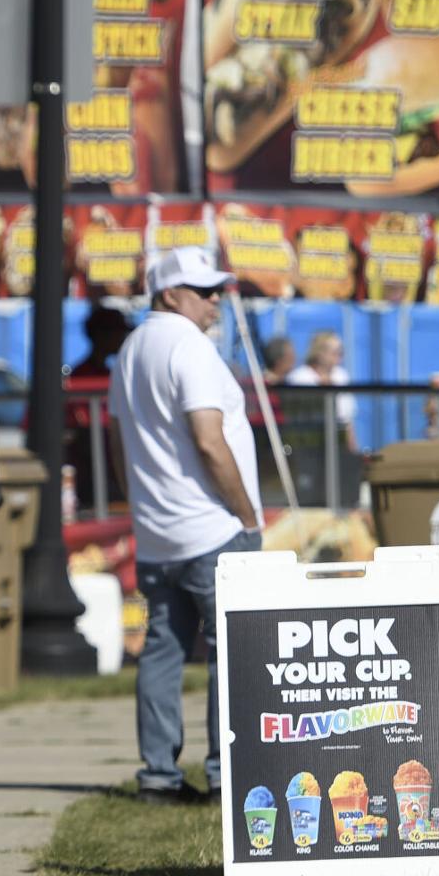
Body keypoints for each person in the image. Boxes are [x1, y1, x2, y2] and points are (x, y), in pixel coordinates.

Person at [107, 247, 261, 805]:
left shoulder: (131, 348)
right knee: (234, 652)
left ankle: (158, 777)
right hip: (211, 530)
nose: (216, 299)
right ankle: (227, 775)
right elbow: (208, 438)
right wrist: (245, 515)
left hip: (158, 534)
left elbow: (119, 443)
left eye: (217, 288)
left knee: (163, 652)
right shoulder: (189, 346)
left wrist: (140, 506)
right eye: (203, 290)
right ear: (169, 294)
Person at [286, 329, 357, 451]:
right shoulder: (299, 378)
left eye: (341, 352)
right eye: (335, 352)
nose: (339, 357)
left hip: (338, 444)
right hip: (308, 443)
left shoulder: (341, 376)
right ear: (319, 353)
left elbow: (347, 421)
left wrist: (353, 449)